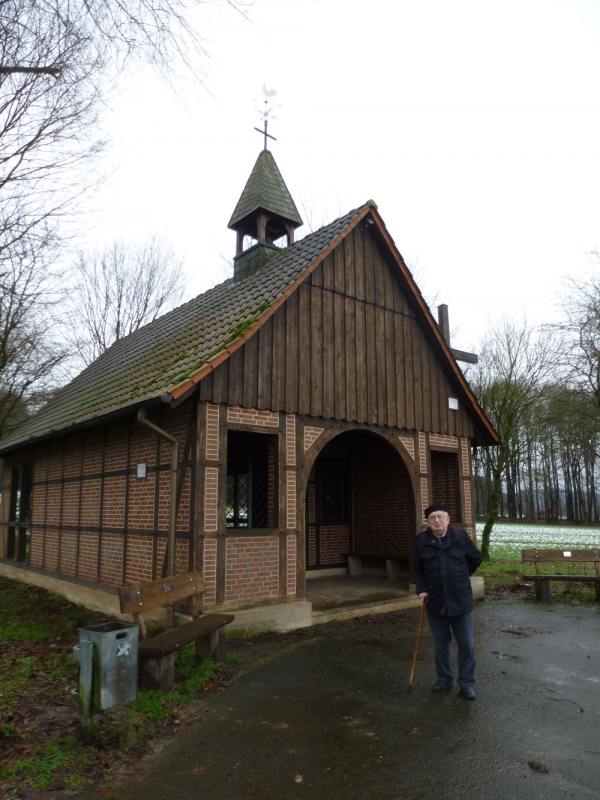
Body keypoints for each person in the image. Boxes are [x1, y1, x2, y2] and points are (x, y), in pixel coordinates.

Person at [413, 502, 483, 699]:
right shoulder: (421, 541)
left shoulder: (461, 537)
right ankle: (444, 678)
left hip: (460, 600)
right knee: (440, 644)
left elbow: (476, 558)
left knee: (466, 645)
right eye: (432, 518)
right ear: (427, 522)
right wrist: (422, 590)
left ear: (448, 519)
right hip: (435, 601)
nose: (437, 521)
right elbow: (418, 569)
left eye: (440, 517)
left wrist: (462, 576)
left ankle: (467, 683)